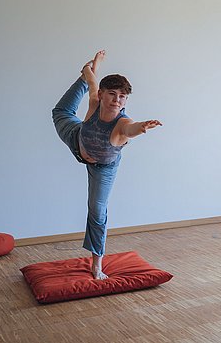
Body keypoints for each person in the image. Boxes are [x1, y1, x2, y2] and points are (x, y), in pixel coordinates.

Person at [52, 50, 162, 279]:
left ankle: (97, 265)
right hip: (75, 138)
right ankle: (86, 71)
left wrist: (143, 127)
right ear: (102, 95)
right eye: (112, 95)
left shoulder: (123, 123)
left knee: (97, 211)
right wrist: (91, 70)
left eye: (122, 97)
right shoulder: (95, 101)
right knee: (61, 111)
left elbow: (130, 129)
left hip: (103, 166)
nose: (117, 100)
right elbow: (94, 84)